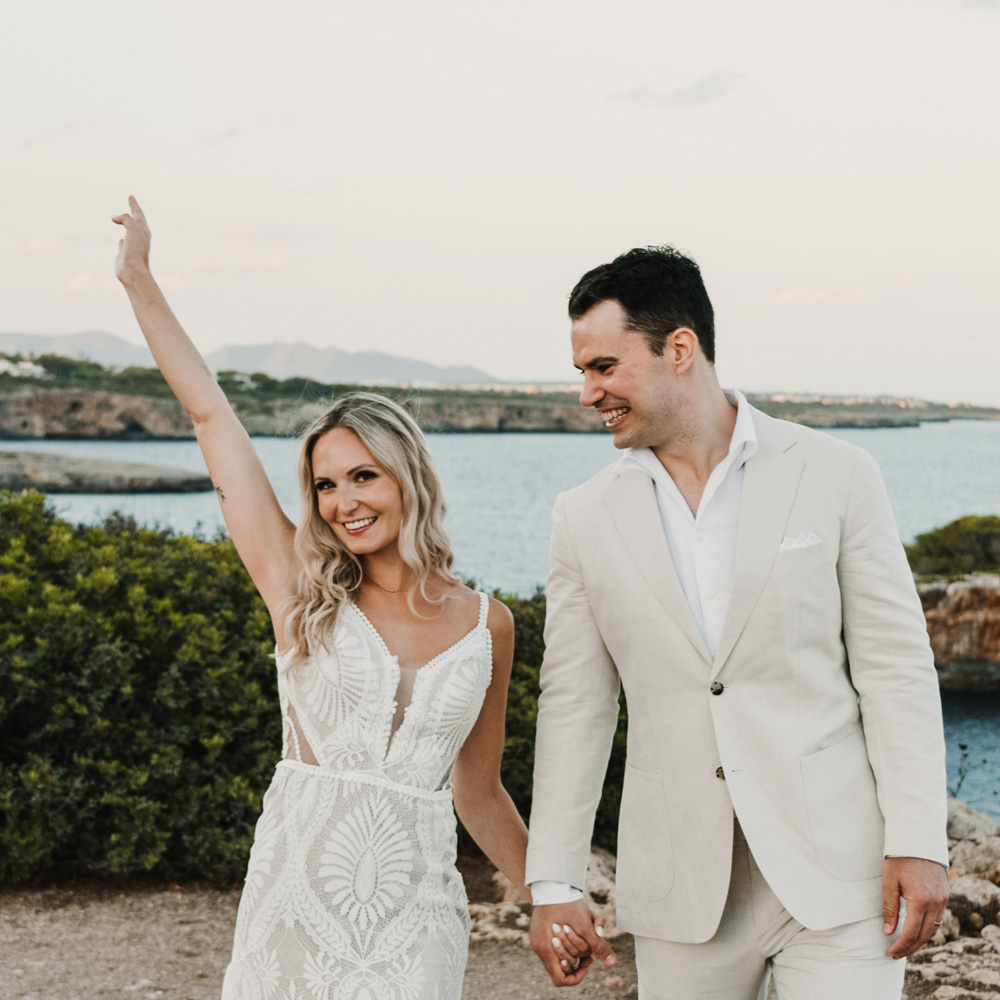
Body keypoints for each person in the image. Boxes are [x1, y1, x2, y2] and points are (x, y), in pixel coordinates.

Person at [112, 197, 529, 1000]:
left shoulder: (487, 626)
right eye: (325, 484)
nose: (343, 501)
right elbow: (210, 414)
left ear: (407, 475)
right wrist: (139, 280)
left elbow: (478, 790)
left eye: (363, 475)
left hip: (417, 923)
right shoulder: (301, 591)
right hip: (292, 915)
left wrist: (552, 899)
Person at [524, 246, 950, 999]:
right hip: (680, 884)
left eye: (603, 367)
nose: (587, 393)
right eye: (583, 371)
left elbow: (895, 670)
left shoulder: (838, 474)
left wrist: (919, 841)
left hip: (839, 877)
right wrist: (554, 877)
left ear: (679, 349)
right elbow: (576, 705)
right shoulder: (582, 518)